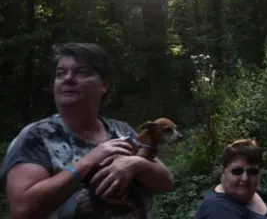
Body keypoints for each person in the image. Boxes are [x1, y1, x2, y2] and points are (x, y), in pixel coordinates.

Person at [0, 42, 174, 218]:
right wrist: (88, 161)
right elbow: (21, 210)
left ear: (104, 85)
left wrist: (136, 164)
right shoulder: (36, 136)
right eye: (60, 73)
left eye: (81, 72)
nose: (68, 78)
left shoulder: (121, 130)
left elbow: (165, 184)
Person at [195, 139, 267, 219]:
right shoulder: (217, 209)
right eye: (237, 171)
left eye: (252, 172)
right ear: (224, 171)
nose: (245, 178)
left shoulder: (255, 193)